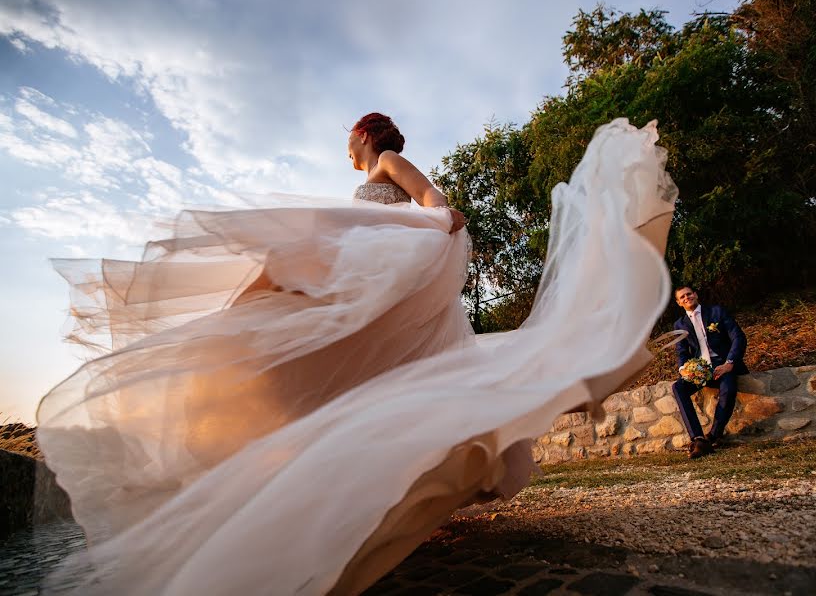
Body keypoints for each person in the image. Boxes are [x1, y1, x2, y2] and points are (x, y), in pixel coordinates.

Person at [37, 116, 678, 595]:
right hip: (369, 276)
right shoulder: (368, 179)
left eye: (349, 140)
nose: (346, 150)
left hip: (385, 277)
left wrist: (436, 227)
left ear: (365, 137)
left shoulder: (389, 162)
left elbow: (436, 206)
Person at [671, 285, 748, 458]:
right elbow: (682, 352)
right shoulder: (680, 324)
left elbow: (738, 337)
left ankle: (713, 436)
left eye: (689, 294)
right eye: (682, 297)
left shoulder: (716, 312)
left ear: (696, 295)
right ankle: (697, 438)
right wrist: (684, 369)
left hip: (723, 365)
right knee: (678, 387)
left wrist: (730, 363)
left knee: (728, 388)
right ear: (678, 303)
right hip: (701, 370)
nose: (686, 298)